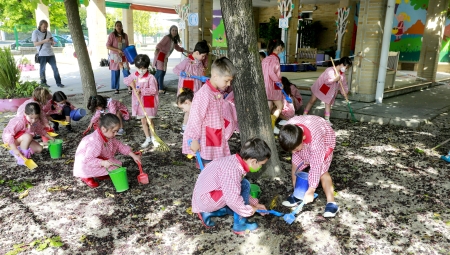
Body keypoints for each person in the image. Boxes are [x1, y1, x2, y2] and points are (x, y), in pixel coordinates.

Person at [192, 137, 270, 235]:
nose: (261, 167)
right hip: (207, 200)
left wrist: (255, 204)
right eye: (261, 164)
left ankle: (206, 212)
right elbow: (233, 198)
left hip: (204, 197)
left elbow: (235, 188)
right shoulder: (233, 171)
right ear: (253, 161)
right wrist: (247, 210)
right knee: (244, 186)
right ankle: (240, 225)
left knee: (242, 185)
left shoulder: (234, 161)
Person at [278, 115, 338, 218]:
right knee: (295, 167)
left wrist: (311, 190)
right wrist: (297, 149)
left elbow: (316, 166)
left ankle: (331, 203)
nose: (293, 152)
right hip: (301, 141)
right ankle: (297, 195)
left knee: (322, 172)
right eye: (291, 150)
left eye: (295, 149)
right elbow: (295, 149)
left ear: (303, 138)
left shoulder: (316, 140)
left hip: (324, 142)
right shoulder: (289, 131)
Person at [182, 57, 237, 166]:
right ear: (215, 76)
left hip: (215, 139)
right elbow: (195, 118)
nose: (229, 84)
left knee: (216, 168)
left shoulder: (216, 92)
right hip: (208, 143)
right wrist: (194, 139)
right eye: (227, 80)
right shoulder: (204, 94)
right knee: (209, 169)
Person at [73, 113, 141, 188]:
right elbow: (88, 160)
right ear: (103, 129)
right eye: (114, 131)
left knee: (116, 165)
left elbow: (119, 145)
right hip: (85, 164)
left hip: (99, 158)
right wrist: (102, 162)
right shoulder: (95, 142)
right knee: (113, 166)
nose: (116, 134)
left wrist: (134, 156)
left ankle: (100, 174)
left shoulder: (108, 135)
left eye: (117, 131)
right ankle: (86, 177)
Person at [303, 56, 352, 125]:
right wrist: (335, 79)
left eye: (347, 68)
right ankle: (304, 114)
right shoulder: (330, 70)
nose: (346, 69)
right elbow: (327, 81)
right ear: (341, 64)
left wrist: (345, 92)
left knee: (328, 102)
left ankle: (327, 119)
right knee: (313, 100)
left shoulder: (342, 74)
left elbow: (344, 85)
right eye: (346, 67)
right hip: (322, 87)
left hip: (331, 90)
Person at [124, 54, 160, 148]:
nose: (141, 70)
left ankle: (153, 138)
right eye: (139, 68)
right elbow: (126, 80)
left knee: (150, 121)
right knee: (143, 121)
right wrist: (130, 84)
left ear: (147, 67)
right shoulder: (134, 75)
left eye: (143, 68)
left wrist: (142, 90)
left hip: (148, 102)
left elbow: (154, 90)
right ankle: (147, 138)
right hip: (139, 103)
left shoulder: (151, 77)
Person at [154, 25, 189, 94]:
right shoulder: (167, 37)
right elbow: (160, 44)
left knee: (163, 73)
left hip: (165, 57)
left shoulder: (174, 40)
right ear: (170, 31)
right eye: (173, 30)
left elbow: (178, 48)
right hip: (160, 55)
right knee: (160, 72)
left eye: (176, 30)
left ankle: (160, 89)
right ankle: (149, 85)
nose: (174, 32)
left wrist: (187, 52)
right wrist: (157, 49)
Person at [32, 20, 64, 88]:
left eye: (46, 26)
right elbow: (35, 44)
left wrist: (52, 42)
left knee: (55, 68)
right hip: (42, 54)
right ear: (40, 25)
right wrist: (45, 40)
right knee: (42, 69)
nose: (45, 28)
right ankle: (43, 83)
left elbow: (51, 43)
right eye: (44, 26)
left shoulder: (48, 33)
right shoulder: (36, 32)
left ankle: (59, 83)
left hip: (50, 54)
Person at [262, 39, 285, 129]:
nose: (282, 51)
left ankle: (266, 125)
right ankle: (271, 125)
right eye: (282, 49)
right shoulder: (275, 59)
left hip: (265, 86)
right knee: (279, 106)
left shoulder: (265, 59)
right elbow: (272, 73)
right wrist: (279, 82)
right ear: (279, 48)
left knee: (269, 106)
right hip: (272, 87)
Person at [106, 21, 131, 94]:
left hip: (123, 56)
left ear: (122, 26)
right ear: (115, 27)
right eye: (117, 26)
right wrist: (117, 50)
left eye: (120, 25)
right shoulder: (112, 35)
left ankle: (129, 87)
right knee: (115, 72)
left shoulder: (125, 35)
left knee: (126, 71)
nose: (119, 27)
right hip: (115, 56)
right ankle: (116, 88)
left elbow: (127, 45)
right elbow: (108, 46)